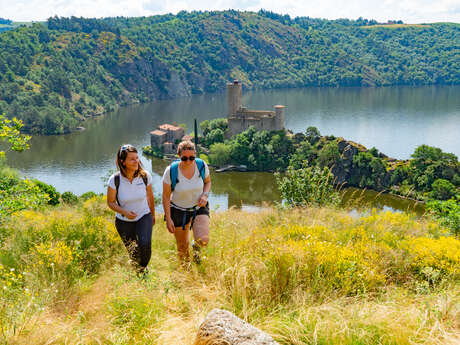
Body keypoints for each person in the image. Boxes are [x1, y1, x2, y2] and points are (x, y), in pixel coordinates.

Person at [107, 144, 155, 273]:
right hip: (123, 222)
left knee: (145, 245)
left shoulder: (145, 176)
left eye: (137, 158)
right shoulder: (115, 180)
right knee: (133, 251)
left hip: (144, 216)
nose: (136, 161)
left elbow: (150, 197)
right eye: (132, 159)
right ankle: (138, 273)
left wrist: (153, 216)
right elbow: (110, 203)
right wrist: (125, 212)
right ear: (123, 162)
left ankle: (144, 269)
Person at [162, 140, 211, 264]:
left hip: (198, 207)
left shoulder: (202, 165)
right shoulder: (171, 171)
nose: (188, 161)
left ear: (195, 154)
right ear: (179, 156)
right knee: (182, 247)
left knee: (203, 240)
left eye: (191, 157)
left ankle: (196, 246)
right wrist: (168, 218)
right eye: (184, 158)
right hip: (178, 210)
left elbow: (208, 182)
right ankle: (187, 274)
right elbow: (166, 196)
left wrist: (205, 195)